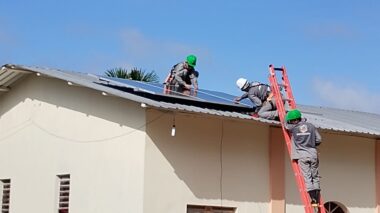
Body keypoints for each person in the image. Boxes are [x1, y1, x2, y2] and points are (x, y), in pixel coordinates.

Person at [285, 109, 322, 206]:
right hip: (313, 154)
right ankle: (317, 198)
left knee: (307, 177)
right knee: (315, 176)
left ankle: (313, 199)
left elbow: (286, 125)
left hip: (302, 155)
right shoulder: (311, 126)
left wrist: (285, 117)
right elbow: (319, 139)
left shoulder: (293, 128)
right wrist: (312, 143)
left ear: (293, 120)